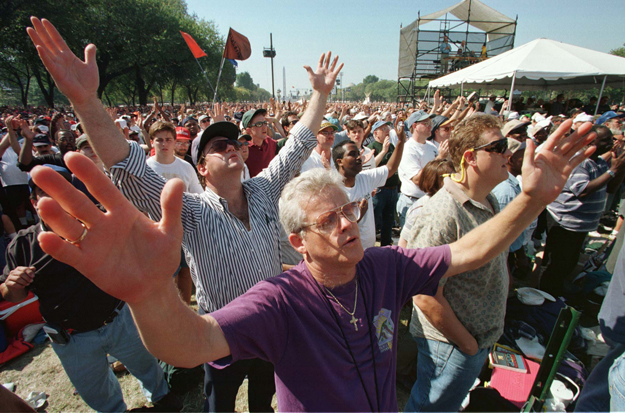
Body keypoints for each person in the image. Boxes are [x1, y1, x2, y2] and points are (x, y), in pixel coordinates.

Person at [28, 111, 595, 412]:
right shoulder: (280, 300)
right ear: (297, 242)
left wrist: (529, 198)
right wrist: (149, 294)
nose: (349, 223)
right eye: (329, 221)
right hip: (232, 340)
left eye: (349, 211)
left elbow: (471, 250)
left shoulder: (383, 267)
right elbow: (189, 346)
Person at [25, 17, 342, 412]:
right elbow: (128, 169)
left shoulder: (263, 188)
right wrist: (85, 100)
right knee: (219, 406)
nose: (232, 147)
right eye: (218, 144)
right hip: (218, 332)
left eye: (235, 142)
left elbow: (297, 144)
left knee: (264, 402)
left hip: (272, 325)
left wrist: (320, 95)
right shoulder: (189, 210)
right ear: (202, 168)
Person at [1, 166, 179, 413]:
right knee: (96, 392)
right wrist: (11, 285)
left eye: (60, 189)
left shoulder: (97, 222)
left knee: (147, 365)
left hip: (119, 319)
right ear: (33, 202)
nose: (54, 197)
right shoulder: (21, 245)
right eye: (45, 192)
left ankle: (162, 399)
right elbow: (14, 295)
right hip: (72, 337)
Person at [541, 126, 625, 297]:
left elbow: (611, 187)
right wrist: (613, 171)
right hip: (565, 223)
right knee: (558, 263)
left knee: (570, 261)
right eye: (606, 140)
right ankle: (547, 295)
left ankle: (557, 292)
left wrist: (620, 168)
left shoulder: (600, 162)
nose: (612, 144)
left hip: (580, 225)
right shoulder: (579, 162)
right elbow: (583, 190)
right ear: (591, 142)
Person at [332, 121, 405, 249]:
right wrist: (358, 214)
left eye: (359, 154)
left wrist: (400, 142)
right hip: (349, 252)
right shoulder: (333, 191)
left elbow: (391, 168)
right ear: (340, 161)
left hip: (369, 250)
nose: (359, 158)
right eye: (352, 155)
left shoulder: (365, 178)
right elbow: (335, 229)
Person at [397, 110, 439, 227]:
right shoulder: (408, 148)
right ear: (415, 126)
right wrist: (438, 160)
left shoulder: (432, 147)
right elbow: (417, 179)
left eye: (430, 122)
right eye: (426, 123)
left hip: (430, 199)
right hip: (413, 202)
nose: (430, 126)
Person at [367, 120, 400, 246]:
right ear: (376, 133)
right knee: (375, 220)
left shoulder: (391, 146)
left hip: (392, 189)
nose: (387, 131)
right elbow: (370, 165)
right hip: (379, 190)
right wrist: (383, 152)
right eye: (383, 129)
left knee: (388, 220)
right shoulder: (372, 147)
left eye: (387, 128)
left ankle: (386, 245)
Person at [242, 108, 277, 177]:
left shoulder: (269, 142)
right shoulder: (244, 149)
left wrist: (275, 120)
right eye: (259, 124)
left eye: (265, 123)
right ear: (249, 130)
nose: (264, 127)